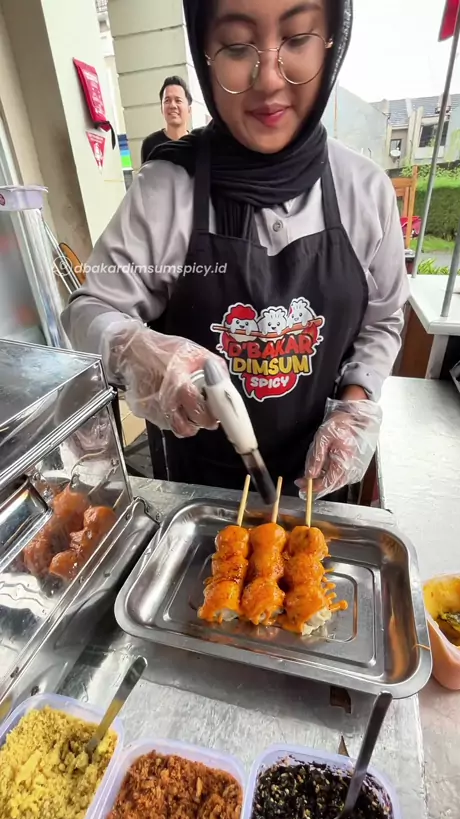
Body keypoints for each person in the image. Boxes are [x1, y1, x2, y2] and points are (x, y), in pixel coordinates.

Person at [63, 0, 409, 500]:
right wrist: (135, 350)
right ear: (205, 55)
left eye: (296, 39)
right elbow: (87, 311)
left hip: (319, 489)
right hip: (195, 494)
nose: (267, 79)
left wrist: (356, 404)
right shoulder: (167, 191)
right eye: (236, 46)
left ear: (331, 43)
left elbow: (382, 319)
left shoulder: (366, 191)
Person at [141, 76, 192, 163]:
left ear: (189, 109)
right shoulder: (150, 144)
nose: (172, 106)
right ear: (162, 109)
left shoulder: (197, 144)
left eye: (178, 100)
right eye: (167, 101)